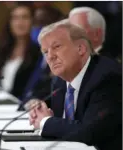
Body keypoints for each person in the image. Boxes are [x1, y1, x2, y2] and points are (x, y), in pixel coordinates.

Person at [29, 20, 121, 150]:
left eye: (56, 47)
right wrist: (38, 111)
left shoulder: (107, 77)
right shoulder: (59, 81)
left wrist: (45, 122)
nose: (50, 56)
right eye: (45, 51)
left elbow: (89, 132)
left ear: (81, 48)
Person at [0, 3, 50, 100]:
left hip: (20, 106)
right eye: (15, 18)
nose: (19, 23)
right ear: (9, 22)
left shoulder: (39, 53)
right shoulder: (1, 51)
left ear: (33, 21)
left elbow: (38, 88)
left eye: (25, 17)